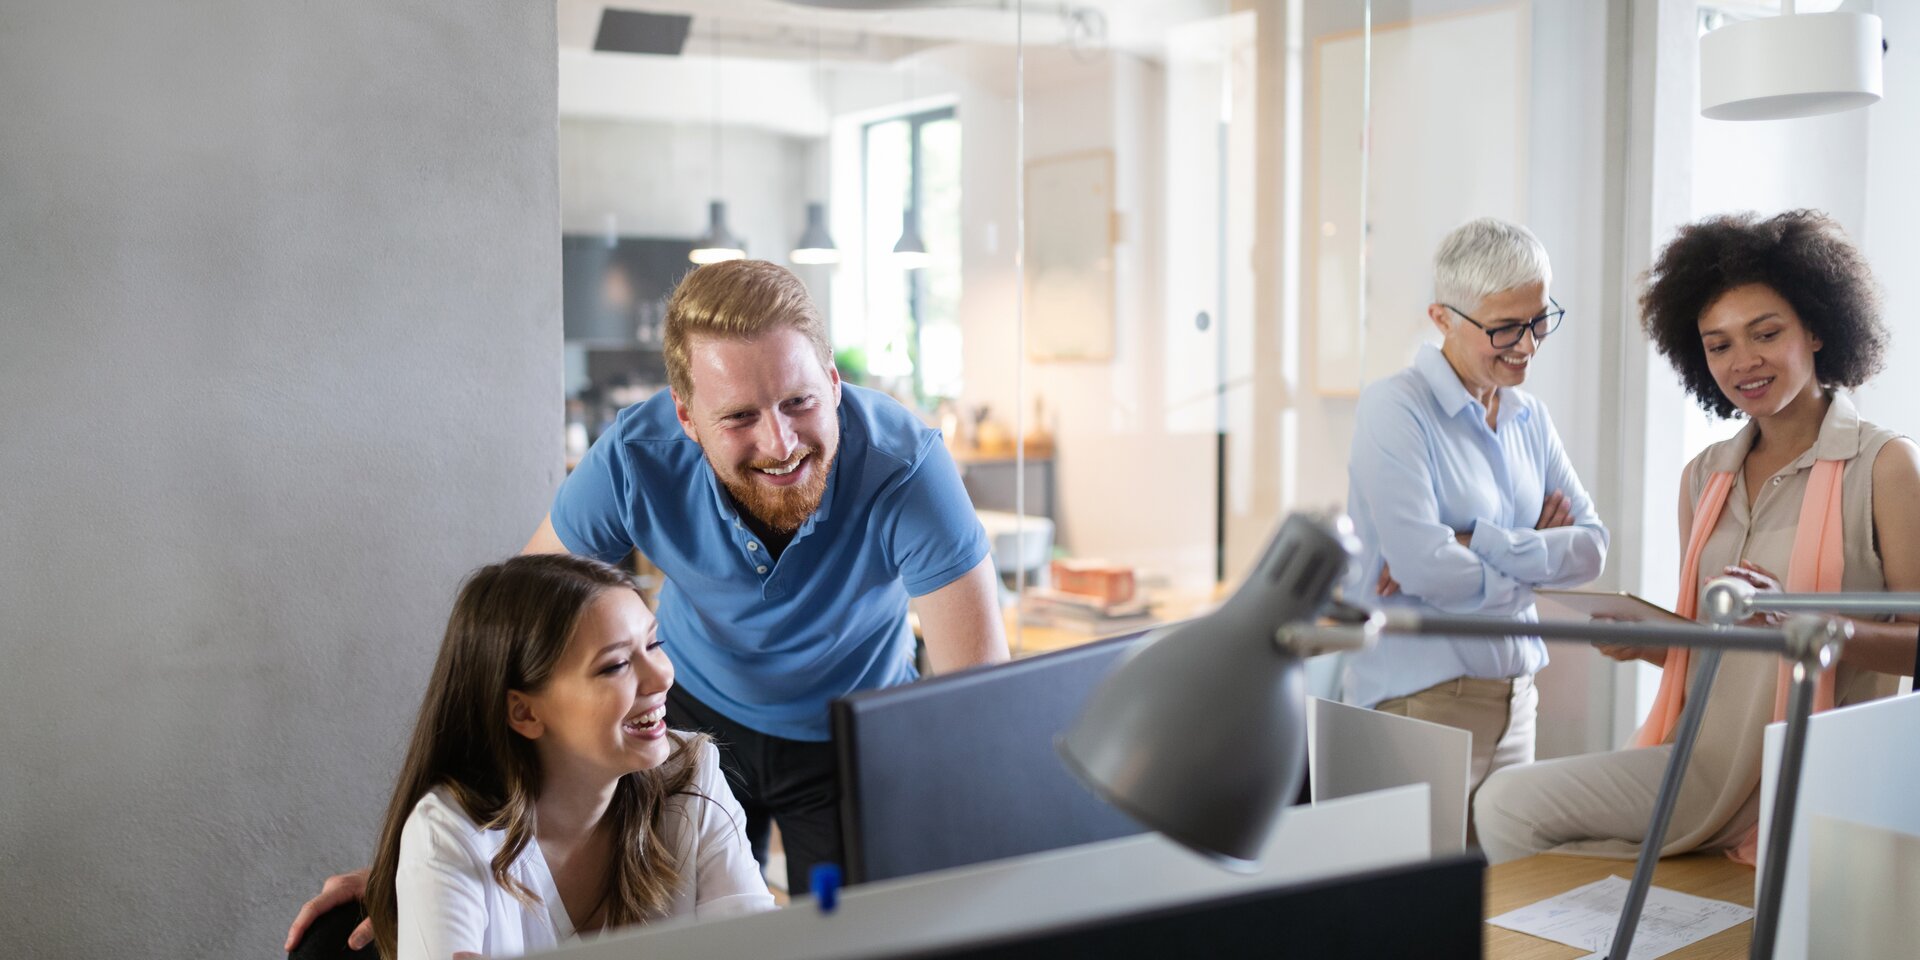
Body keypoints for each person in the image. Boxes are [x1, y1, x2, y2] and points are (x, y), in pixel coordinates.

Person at [291, 260, 1006, 952]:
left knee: (859, 934)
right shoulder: (637, 458)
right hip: (689, 715)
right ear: (687, 418)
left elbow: (977, 700)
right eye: (740, 417)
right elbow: (512, 641)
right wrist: (419, 866)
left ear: (834, 382)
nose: (780, 442)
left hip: (847, 730)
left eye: (799, 402)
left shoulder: (906, 467)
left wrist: (967, 861)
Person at [1474, 210, 1920, 865]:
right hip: (1701, 767)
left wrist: (1806, 626)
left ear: (1819, 328)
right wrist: (1656, 642)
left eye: (1765, 333)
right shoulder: (1703, 478)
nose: (1744, 362)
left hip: (1815, 777)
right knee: (1504, 804)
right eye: (1719, 345)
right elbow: (1725, 655)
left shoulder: (1885, 466)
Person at [362, 554, 771, 960]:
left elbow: (765, 950)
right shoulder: (450, 833)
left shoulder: (690, 772)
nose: (663, 675)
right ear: (524, 712)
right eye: (615, 666)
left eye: (653, 643)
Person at [1342, 217, 1609, 809]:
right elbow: (1428, 569)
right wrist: (1533, 556)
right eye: (1505, 328)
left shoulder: (1529, 417)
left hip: (1518, 699)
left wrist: (1475, 539)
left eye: (1540, 320)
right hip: (1420, 704)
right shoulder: (1396, 409)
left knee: (1505, 899)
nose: (1528, 345)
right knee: (1417, 900)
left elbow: (1591, 548)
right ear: (1443, 319)